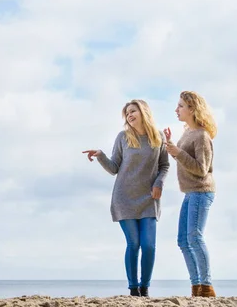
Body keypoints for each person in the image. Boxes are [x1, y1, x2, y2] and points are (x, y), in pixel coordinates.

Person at [83, 100, 169, 297]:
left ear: (143, 111)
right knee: (134, 244)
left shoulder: (159, 136)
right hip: (124, 199)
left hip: (149, 198)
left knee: (148, 246)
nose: (129, 115)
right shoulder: (123, 137)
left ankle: (144, 288)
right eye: (127, 113)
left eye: (132, 111)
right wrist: (100, 156)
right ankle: (133, 289)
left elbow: (164, 166)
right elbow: (114, 168)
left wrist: (159, 183)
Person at [163, 91, 217, 297]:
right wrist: (171, 147)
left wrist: (178, 152)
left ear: (192, 109)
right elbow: (184, 159)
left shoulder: (202, 136)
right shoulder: (187, 133)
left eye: (180, 106)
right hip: (190, 192)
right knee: (183, 241)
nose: (176, 110)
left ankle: (207, 286)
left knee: (195, 237)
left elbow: (201, 169)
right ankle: (197, 287)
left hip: (201, 192)